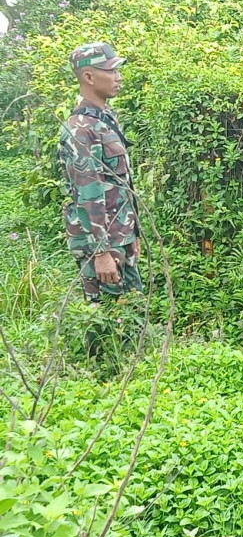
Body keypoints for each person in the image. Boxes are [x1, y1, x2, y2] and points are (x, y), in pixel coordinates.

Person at [59, 42, 141, 355]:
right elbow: (88, 193)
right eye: (111, 70)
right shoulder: (81, 129)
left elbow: (120, 185)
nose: (118, 76)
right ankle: (103, 379)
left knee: (128, 310)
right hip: (101, 242)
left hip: (119, 235)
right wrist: (102, 251)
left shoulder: (105, 118)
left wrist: (133, 233)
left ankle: (131, 374)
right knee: (104, 318)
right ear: (89, 77)